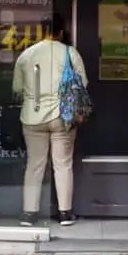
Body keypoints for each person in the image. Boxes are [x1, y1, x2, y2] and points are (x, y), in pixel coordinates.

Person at [13, 12, 88, 226]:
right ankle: (65, 213)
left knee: (35, 164)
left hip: (32, 115)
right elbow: (82, 84)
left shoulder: (27, 55)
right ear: (61, 31)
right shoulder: (70, 53)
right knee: (63, 164)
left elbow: (17, 88)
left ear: (40, 31)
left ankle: (29, 213)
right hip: (61, 116)